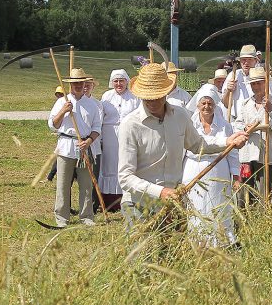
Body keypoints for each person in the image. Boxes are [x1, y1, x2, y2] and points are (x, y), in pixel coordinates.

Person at [118, 63, 249, 229]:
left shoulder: (179, 116)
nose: (152, 101)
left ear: (167, 92)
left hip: (172, 203)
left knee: (170, 253)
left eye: (156, 96)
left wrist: (226, 141)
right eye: (147, 97)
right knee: (145, 253)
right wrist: (160, 191)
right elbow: (125, 177)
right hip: (139, 204)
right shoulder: (130, 125)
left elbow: (198, 144)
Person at [181, 84, 241, 246]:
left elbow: (233, 152)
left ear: (215, 105)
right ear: (198, 105)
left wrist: (236, 175)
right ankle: (199, 241)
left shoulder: (225, 126)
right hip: (194, 168)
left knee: (218, 203)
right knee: (197, 205)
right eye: (203, 103)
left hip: (218, 170)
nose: (207, 107)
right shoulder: (190, 125)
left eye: (210, 103)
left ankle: (221, 241)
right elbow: (182, 150)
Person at [49, 69, 102, 227]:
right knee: (63, 184)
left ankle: (86, 217)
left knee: (86, 184)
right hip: (66, 147)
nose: (78, 86)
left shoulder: (92, 104)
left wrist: (89, 141)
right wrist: (63, 111)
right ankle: (62, 218)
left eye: (80, 83)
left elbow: (97, 127)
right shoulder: (61, 102)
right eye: (75, 83)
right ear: (70, 84)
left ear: (85, 83)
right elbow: (53, 125)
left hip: (85, 147)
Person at [233, 67, 272, 204]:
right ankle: (245, 220)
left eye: (259, 83)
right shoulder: (246, 103)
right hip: (247, 153)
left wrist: (271, 111)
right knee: (245, 193)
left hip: (265, 154)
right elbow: (237, 124)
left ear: (265, 83)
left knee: (265, 192)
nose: (256, 86)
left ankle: (264, 219)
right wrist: (245, 128)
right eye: (253, 84)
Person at [99, 69, 140, 211]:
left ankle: (127, 197)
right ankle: (109, 199)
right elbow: (100, 117)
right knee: (109, 164)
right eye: (116, 81)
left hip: (128, 133)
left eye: (121, 81)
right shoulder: (106, 96)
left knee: (126, 162)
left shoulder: (134, 97)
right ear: (112, 82)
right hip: (109, 132)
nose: (118, 84)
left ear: (126, 82)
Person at [222, 44, 259, 120]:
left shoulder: (261, 77)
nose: (246, 63)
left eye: (250, 59)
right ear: (240, 61)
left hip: (255, 120)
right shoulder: (233, 75)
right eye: (244, 60)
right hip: (235, 119)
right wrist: (228, 91)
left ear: (255, 61)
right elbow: (226, 104)